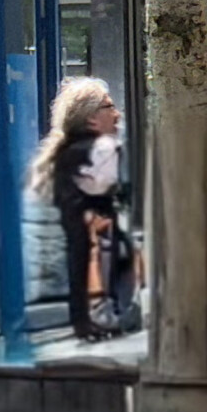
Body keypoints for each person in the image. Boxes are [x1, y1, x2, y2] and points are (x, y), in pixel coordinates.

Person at [29, 78, 125, 339]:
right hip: (93, 231)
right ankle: (102, 318)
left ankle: (85, 322)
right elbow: (104, 185)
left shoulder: (64, 151)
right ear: (91, 118)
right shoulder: (101, 148)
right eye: (109, 107)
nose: (117, 114)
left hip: (73, 233)